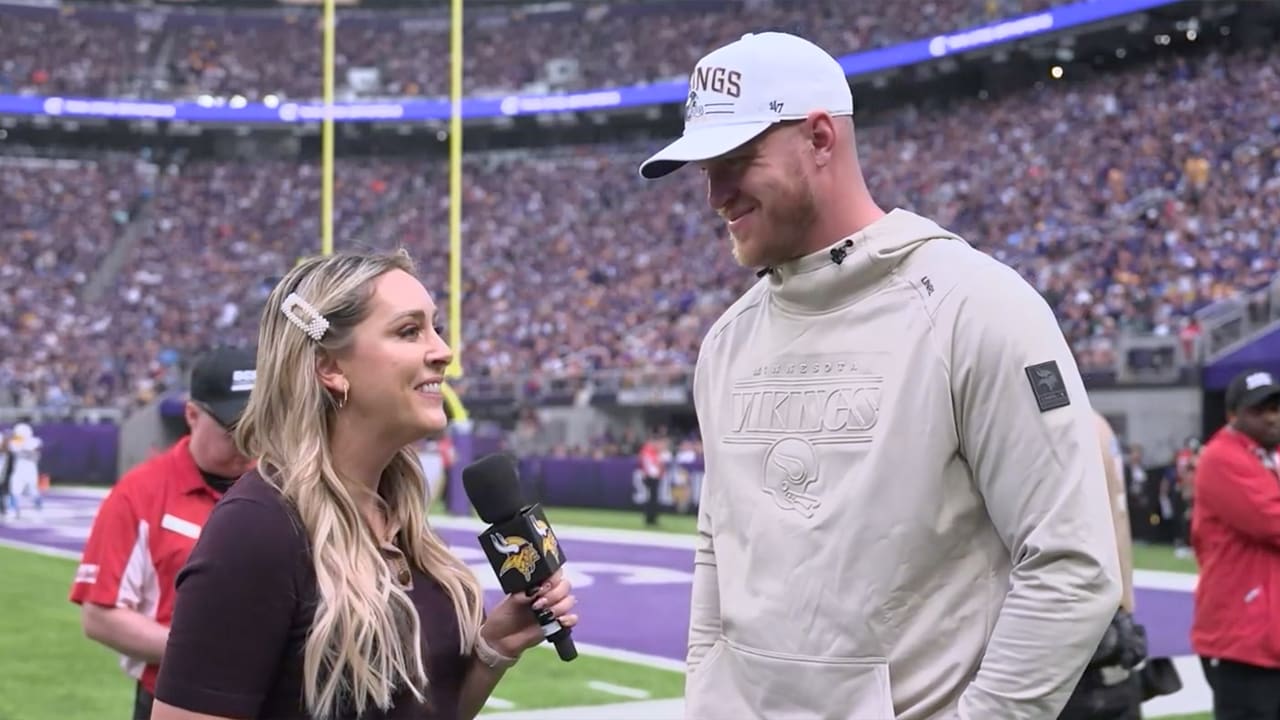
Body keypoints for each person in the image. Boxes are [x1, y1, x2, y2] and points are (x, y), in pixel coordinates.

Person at [638, 31, 1121, 718]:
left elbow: (1072, 565)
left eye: (737, 160)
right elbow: (720, 554)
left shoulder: (975, 306)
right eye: (703, 169)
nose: (714, 193)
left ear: (820, 139)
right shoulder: (726, 342)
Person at [151, 249, 579, 720]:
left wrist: (493, 648)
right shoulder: (258, 530)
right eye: (409, 331)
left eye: (435, 327)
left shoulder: (397, 518)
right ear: (330, 367)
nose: (443, 351)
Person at [68, 346, 257, 720]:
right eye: (234, 430)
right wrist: (206, 652)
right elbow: (101, 615)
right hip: (173, 700)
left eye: (259, 426)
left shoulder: (285, 485)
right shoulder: (139, 493)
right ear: (192, 415)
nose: (249, 443)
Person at [1190, 368, 1280, 720]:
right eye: (1259, 410)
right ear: (1232, 415)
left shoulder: (1264, 456)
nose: (1272, 418)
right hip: (1243, 638)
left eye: (1276, 407)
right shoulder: (1222, 457)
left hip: (1265, 635)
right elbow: (1273, 520)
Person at [1058, 411, 1147, 720]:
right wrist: (1126, 611)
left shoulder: (1057, 423)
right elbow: (1118, 521)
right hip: (1110, 614)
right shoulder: (1095, 423)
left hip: (1065, 623)